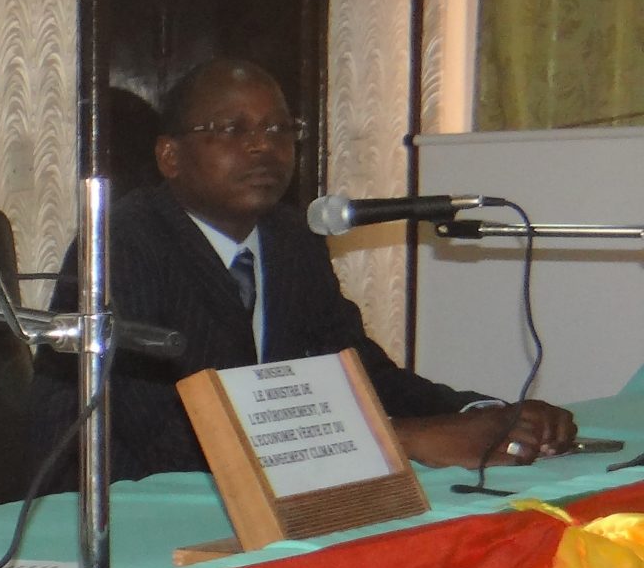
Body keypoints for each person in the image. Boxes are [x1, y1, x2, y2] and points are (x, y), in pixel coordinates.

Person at [35, 57, 577, 481]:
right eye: (231, 129)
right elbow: (163, 431)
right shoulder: (121, 245)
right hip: (133, 508)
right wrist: (400, 438)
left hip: (273, 495)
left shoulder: (291, 238)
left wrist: (482, 414)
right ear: (170, 156)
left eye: (278, 130)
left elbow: (359, 371)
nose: (261, 147)